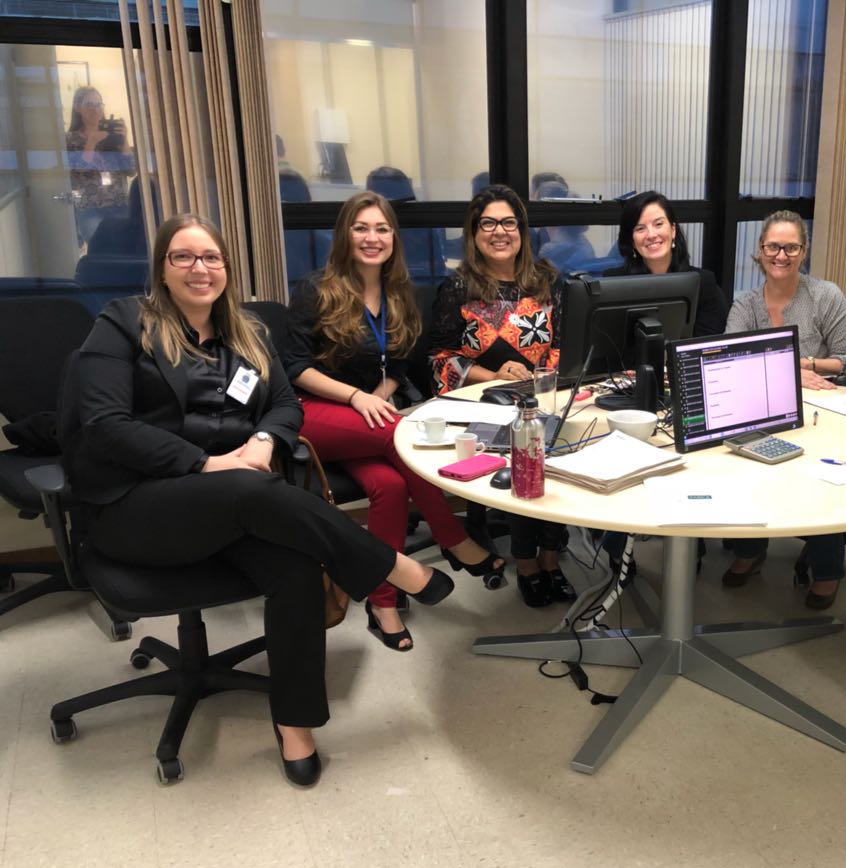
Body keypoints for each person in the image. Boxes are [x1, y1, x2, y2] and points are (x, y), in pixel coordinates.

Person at [65, 214, 456, 787]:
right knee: (253, 489)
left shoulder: (247, 333)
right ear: (162, 268)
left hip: (237, 501)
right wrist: (205, 463)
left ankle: (296, 724)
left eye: (212, 257)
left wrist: (264, 440)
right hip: (136, 506)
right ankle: (390, 567)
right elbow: (105, 425)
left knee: (295, 564)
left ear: (228, 267)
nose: (201, 268)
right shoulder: (125, 324)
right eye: (184, 257)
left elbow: (285, 406)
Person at [285, 191, 504, 651]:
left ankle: (382, 602)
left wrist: (380, 396)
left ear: (393, 238)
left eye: (382, 229)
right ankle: (453, 537)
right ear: (345, 234)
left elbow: (401, 365)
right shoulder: (315, 289)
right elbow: (294, 367)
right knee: (401, 435)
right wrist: (356, 397)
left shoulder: (399, 293)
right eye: (361, 228)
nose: (372, 238)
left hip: (368, 417)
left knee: (392, 486)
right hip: (314, 411)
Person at [427, 184, 577, 609]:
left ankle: (552, 558)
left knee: (559, 451)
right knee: (523, 455)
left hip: (544, 394)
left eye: (508, 222)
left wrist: (546, 375)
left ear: (522, 230)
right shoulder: (459, 287)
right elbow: (440, 358)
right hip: (486, 401)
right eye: (488, 223)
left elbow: (564, 340)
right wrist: (493, 374)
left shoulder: (546, 279)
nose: (499, 231)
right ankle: (527, 564)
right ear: (474, 233)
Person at [720, 210, 846, 608]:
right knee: (737, 458)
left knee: (816, 471)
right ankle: (751, 548)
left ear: (803, 251)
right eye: (772, 247)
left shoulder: (824, 296)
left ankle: (828, 567)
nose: (781, 255)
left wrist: (807, 365)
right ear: (760, 251)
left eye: (791, 247)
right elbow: (730, 358)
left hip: (821, 408)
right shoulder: (746, 304)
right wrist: (786, 372)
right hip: (759, 405)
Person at [604, 190, 729, 337]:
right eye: (640, 228)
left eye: (658, 224)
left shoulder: (704, 284)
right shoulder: (614, 284)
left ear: (673, 230)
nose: (651, 235)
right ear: (632, 240)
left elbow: (706, 349)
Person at [65, 86, 135, 248]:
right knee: (100, 249)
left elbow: (131, 170)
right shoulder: (70, 139)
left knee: (124, 249)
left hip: (119, 204)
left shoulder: (112, 135)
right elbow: (79, 169)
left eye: (98, 104)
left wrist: (124, 140)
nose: (95, 109)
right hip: (90, 208)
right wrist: (92, 142)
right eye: (89, 104)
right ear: (78, 108)